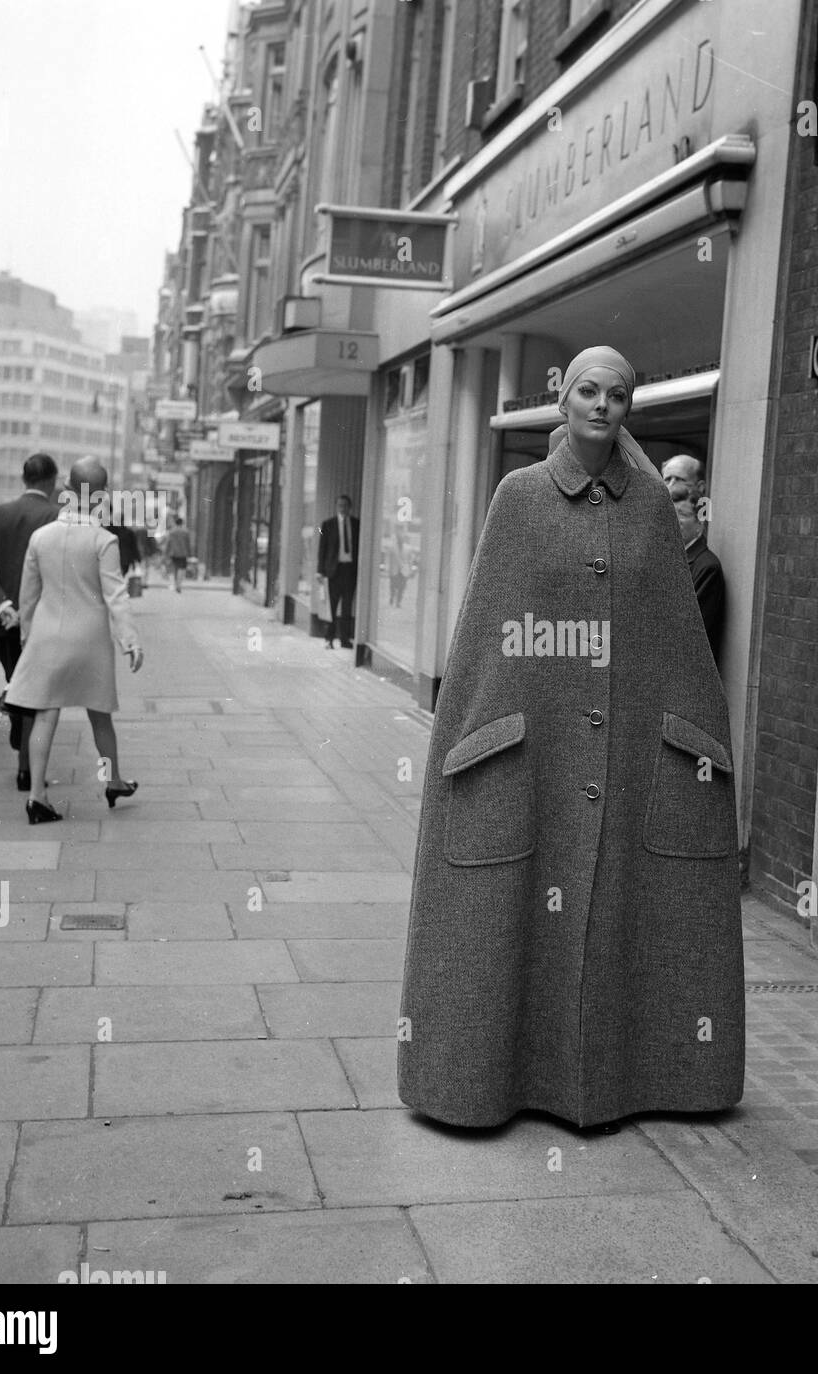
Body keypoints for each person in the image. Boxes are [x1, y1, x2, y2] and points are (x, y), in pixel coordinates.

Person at [398, 345, 745, 1130]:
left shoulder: (654, 506)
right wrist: (472, 735)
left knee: (626, 912)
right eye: (587, 390)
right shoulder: (518, 497)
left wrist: (699, 746)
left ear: (629, 410)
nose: (600, 405)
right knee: (520, 914)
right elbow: (486, 630)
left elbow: (673, 639)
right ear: (564, 402)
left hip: (626, 753)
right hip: (536, 747)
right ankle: (496, 1081)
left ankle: (627, 1082)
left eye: (616, 395)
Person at [5, 458, 143, 824]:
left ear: (66, 489)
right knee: (100, 717)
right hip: (90, 642)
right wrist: (130, 640)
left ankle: (37, 797)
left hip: (47, 638)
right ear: (102, 494)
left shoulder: (41, 537)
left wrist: (26, 638)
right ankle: (113, 781)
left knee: (44, 716)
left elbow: (27, 597)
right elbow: (116, 595)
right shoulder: (104, 539)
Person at [0, 452, 59, 790]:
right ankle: (27, 768)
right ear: (51, 481)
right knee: (39, 696)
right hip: (45, 622)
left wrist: (3, 605)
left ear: (24, 479)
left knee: (17, 683)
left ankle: (22, 754)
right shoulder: (58, 516)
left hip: (6, 622)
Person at [662, 454, 726, 662]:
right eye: (666, 479)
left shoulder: (707, 567)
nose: (670, 487)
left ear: (700, 519)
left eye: (678, 479)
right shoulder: (661, 559)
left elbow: (688, 635)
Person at [317, 494, 360, 648]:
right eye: (340, 505)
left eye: (345, 505)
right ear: (337, 507)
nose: (343, 508)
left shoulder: (357, 524)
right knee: (332, 606)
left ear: (350, 507)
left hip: (349, 570)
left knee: (347, 606)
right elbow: (322, 549)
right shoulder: (328, 525)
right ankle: (329, 638)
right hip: (333, 571)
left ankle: (344, 639)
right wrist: (320, 571)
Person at [163, 516, 192, 593]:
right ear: (182, 523)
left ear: (175, 523)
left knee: (174, 568)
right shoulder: (186, 532)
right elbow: (188, 544)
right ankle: (179, 585)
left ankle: (175, 584)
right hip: (183, 553)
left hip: (173, 553)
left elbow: (168, 543)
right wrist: (189, 553)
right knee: (181, 569)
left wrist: (166, 553)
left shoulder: (172, 532)